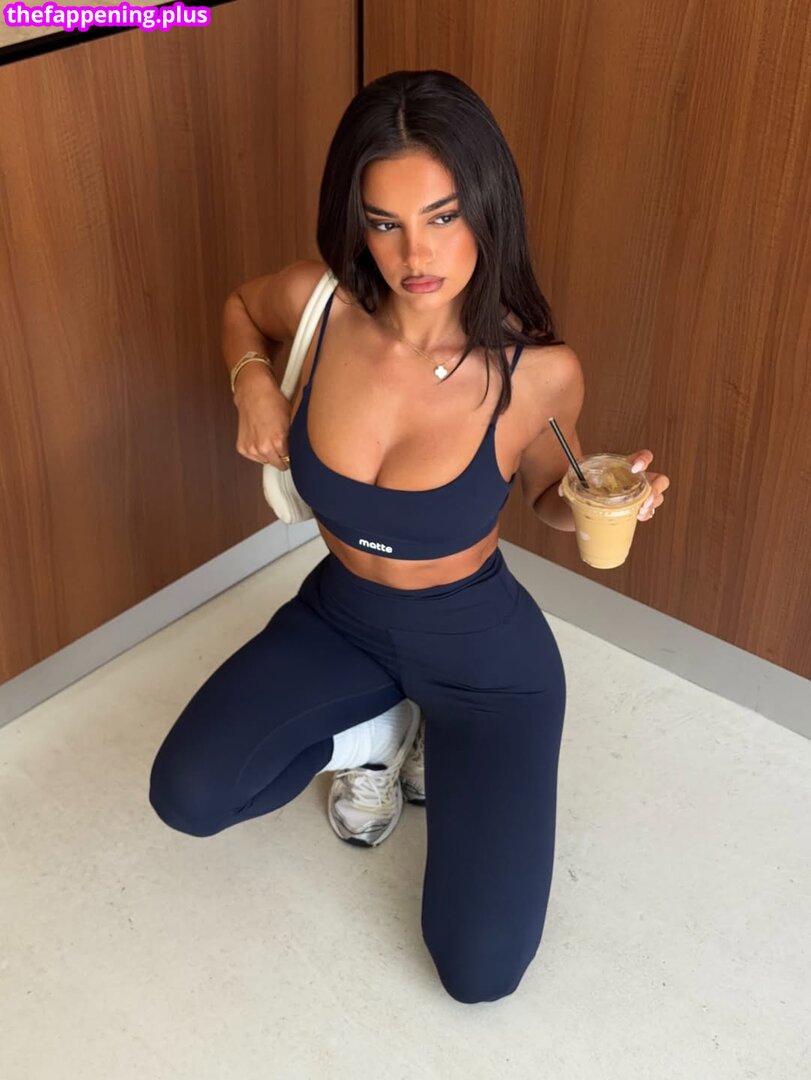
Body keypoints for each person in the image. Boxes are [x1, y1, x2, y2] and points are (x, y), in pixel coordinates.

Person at [149, 69, 670, 1004]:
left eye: (441, 215)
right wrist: (252, 381)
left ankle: (436, 728)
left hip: (482, 654)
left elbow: (550, 498)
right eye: (384, 222)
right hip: (341, 617)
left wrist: (607, 505)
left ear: (486, 208)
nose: (413, 253)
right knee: (189, 796)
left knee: (479, 972)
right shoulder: (318, 305)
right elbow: (241, 309)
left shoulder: (536, 372)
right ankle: (380, 731)